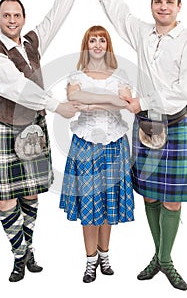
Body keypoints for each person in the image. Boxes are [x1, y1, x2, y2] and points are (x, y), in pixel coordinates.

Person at [77, 0, 187, 291]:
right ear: (152, 5)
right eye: (158, 1)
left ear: (179, 6)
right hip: (146, 126)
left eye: (169, 2)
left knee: (173, 200)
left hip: (173, 124)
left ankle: (165, 260)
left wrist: (141, 101)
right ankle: (159, 257)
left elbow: (182, 92)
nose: (163, 7)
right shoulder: (143, 33)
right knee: (149, 196)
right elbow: (117, 10)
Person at [0, 0, 82, 282]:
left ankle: (29, 248)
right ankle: (19, 254)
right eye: (6, 15)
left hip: (32, 129)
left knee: (31, 194)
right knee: (6, 198)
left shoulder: (31, 42)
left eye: (17, 14)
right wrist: (57, 105)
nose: (12, 19)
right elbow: (18, 88)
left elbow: (55, 16)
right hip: (5, 130)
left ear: (23, 18)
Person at [59, 25, 135, 283]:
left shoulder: (120, 75)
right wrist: (109, 100)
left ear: (108, 45)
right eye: (93, 40)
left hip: (114, 144)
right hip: (85, 143)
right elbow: (74, 97)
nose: (98, 45)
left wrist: (93, 103)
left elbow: (126, 103)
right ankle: (90, 261)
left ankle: (105, 256)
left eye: (102, 40)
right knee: (90, 206)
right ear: (86, 44)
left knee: (108, 202)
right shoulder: (76, 74)